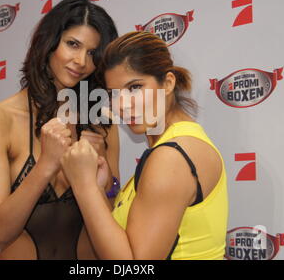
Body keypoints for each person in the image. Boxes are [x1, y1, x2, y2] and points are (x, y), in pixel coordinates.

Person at [61, 31, 229, 260]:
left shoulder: (171, 157)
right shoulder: (175, 145)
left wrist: (83, 185)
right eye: (113, 93)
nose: (123, 105)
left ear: (168, 83)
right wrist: (99, 190)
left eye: (135, 87)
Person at [0, 0, 120, 260]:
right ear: (49, 42)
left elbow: (112, 220)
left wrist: (106, 182)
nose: (81, 61)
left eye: (92, 53)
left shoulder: (102, 123)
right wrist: (46, 165)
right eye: (72, 44)